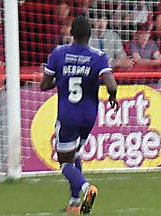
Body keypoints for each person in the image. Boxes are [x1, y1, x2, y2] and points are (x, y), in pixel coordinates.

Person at [39, 15, 118, 214]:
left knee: (65, 163)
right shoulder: (98, 56)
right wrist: (113, 97)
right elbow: (111, 84)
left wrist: (62, 78)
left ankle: (86, 188)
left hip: (68, 115)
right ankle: (74, 203)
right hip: (89, 116)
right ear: (90, 35)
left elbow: (44, 85)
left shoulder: (59, 54)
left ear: (71, 33)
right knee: (75, 155)